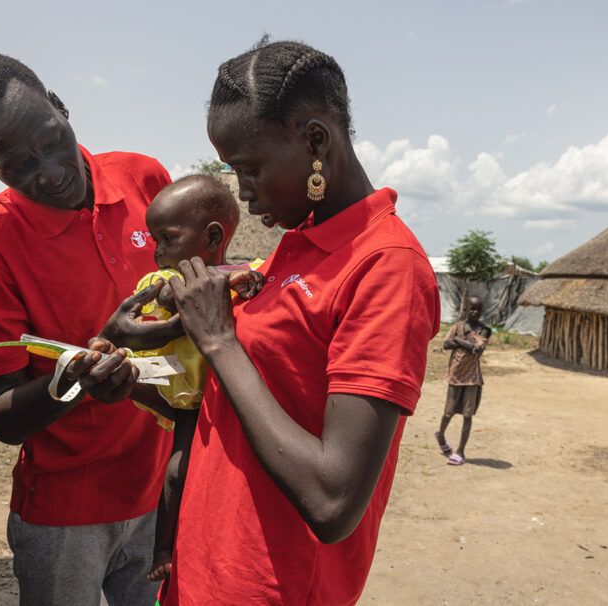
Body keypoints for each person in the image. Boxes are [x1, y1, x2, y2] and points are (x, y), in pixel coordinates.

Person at [103, 38, 441, 604]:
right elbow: (238, 411)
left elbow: (333, 502)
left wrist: (217, 339)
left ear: (315, 141)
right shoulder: (293, 249)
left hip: (269, 585)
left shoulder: (387, 268)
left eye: (250, 168)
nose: (241, 191)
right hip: (204, 566)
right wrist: (134, 381)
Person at [0, 53, 173, 605]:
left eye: (50, 139)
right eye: (14, 165)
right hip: (67, 512)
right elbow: (1, 417)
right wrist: (79, 376)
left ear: (62, 109)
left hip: (167, 485)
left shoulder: (146, 179)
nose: (47, 171)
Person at [97, 174, 263, 583]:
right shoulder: (162, 282)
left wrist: (242, 279)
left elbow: (253, 283)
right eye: (154, 240)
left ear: (210, 237)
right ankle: (163, 549)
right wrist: (221, 289)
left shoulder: (249, 273)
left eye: (167, 239)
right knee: (177, 471)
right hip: (186, 399)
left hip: (230, 401)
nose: (157, 252)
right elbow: (167, 304)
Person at [435, 295, 490, 465]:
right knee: (448, 412)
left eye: (478, 310)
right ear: (465, 309)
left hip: (472, 378)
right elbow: (445, 345)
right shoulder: (457, 326)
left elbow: (476, 349)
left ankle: (460, 451)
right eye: (471, 308)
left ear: (482, 312)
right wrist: (463, 342)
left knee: (467, 415)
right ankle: (441, 435)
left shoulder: (484, 330)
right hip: (455, 375)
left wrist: (458, 341)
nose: (474, 312)